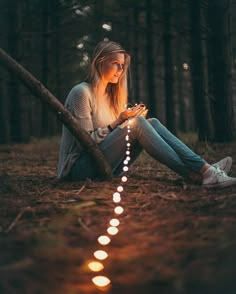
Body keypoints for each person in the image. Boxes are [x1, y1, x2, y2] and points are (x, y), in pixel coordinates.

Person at [58, 40, 236, 189]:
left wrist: (128, 120)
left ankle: (201, 170)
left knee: (152, 122)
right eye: (116, 64)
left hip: (108, 166)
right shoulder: (81, 93)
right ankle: (203, 172)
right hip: (79, 169)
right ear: (100, 61)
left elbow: (112, 139)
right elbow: (85, 143)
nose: (120, 70)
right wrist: (119, 122)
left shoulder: (110, 96)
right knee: (137, 124)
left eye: (123, 66)